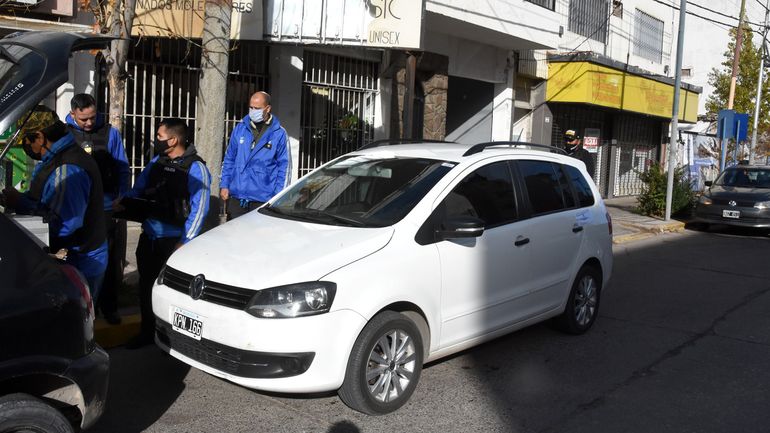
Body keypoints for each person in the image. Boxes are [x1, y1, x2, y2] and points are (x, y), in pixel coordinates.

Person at [116, 118, 211, 349]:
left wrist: (184, 241)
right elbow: (138, 190)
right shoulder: (157, 162)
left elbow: (200, 208)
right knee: (147, 288)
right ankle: (147, 333)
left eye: (159, 136)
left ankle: (173, 341)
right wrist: (125, 203)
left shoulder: (196, 168)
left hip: (173, 243)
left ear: (173, 139)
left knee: (173, 294)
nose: (156, 140)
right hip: (149, 238)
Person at [1, 106, 108, 298]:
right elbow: (45, 198)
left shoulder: (68, 169)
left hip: (81, 259)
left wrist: (20, 204)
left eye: (26, 141)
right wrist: (20, 198)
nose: (26, 148)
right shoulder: (54, 159)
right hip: (72, 256)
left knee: (75, 320)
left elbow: (64, 225)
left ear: (40, 138)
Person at [66, 93, 130, 325]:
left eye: (93, 117)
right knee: (76, 258)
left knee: (110, 260)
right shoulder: (65, 134)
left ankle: (109, 307)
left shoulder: (110, 133)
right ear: (73, 114)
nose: (90, 123)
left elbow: (122, 167)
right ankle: (78, 306)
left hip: (105, 206)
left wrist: (122, 195)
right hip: (75, 207)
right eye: (84, 119)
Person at [220, 91, 291, 220]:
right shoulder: (240, 128)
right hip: (237, 196)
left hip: (263, 198)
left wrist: (277, 197)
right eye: (251, 107)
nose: (253, 111)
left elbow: (284, 167)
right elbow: (229, 158)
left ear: (268, 108)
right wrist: (225, 184)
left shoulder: (279, 133)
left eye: (257, 108)